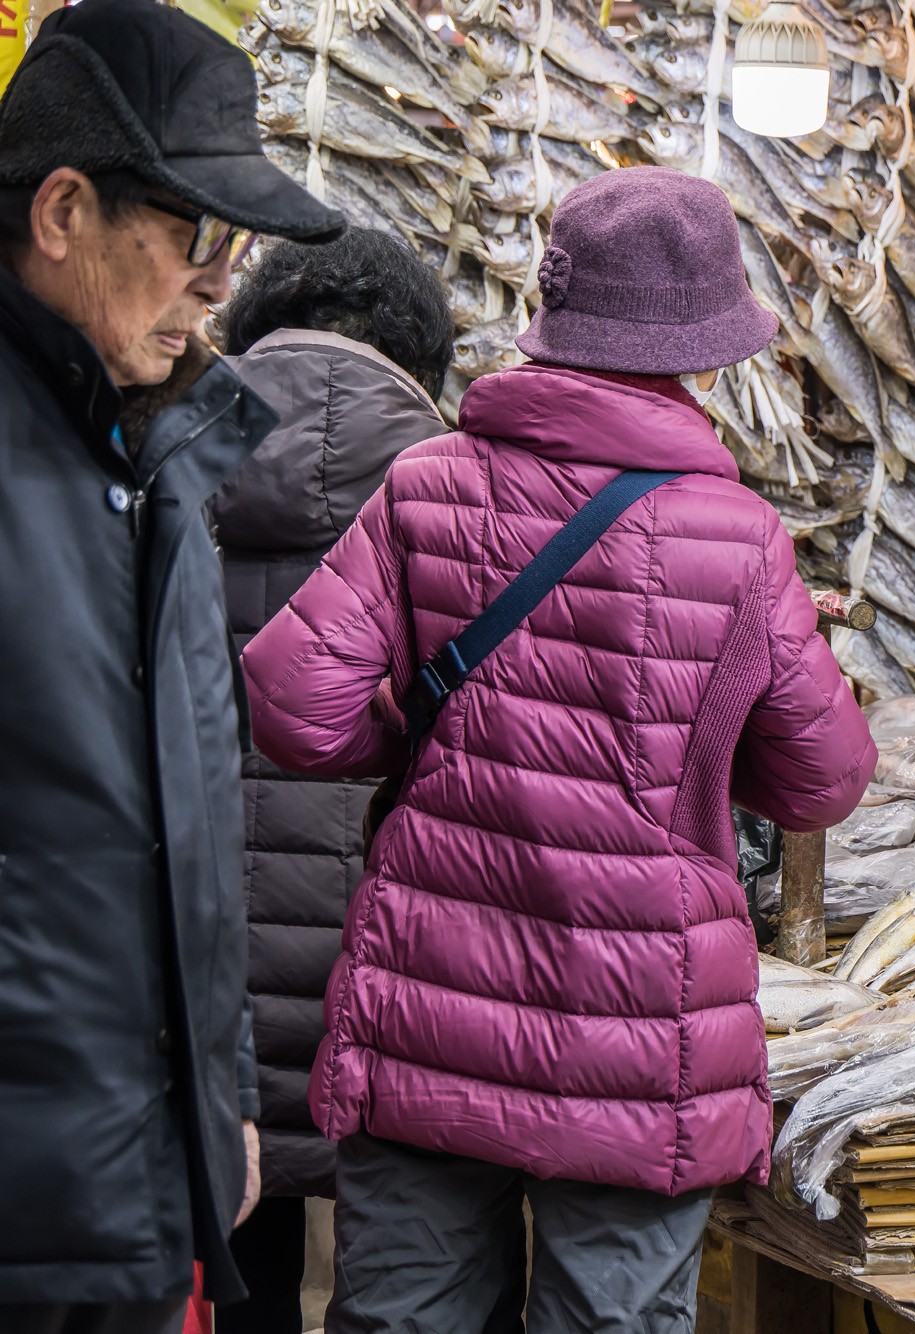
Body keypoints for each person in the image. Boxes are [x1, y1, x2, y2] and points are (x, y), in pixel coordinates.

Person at [240, 167, 875, 1332]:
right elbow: (821, 778)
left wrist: (420, 735)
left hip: (427, 1006)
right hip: (642, 1034)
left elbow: (291, 699)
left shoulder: (427, 483)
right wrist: (709, 718)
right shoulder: (738, 541)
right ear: (703, 347)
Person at [0, 2, 343, 1328]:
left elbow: (188, 835)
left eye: (236, 247)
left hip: (140, 1186)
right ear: (62, 211)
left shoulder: (158, 459)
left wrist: (221, 1103)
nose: (220, 283)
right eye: (197, 235)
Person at [211, 229, 454, 1334]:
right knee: (398, 1284)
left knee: (233, 1271)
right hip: (389, 990)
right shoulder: (463, 494)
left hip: (198, 985)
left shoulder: (154, 459)